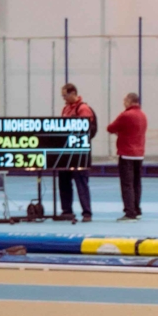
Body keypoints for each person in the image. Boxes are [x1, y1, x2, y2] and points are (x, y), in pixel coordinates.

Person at [57, 84, 97, 221]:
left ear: (73, 93)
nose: (63, 99)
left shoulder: (83, 109)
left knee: (81, 183)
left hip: (79, 153)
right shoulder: (65, 108)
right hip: (66, 153)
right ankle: (66, 211)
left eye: (65, 95)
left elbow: (85, 129)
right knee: (64, 182)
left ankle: (87, 213)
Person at [106, 93, 147, 222]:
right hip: (139, 154)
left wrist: (120, 132)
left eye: (125, 100)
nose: (124, 103)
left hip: (126, 153)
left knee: (127, 184)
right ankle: (136, 209)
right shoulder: (143, 115)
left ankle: (130, 212)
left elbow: (110, 128)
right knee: (136, 183)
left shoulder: (126, 115)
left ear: (130, 101)